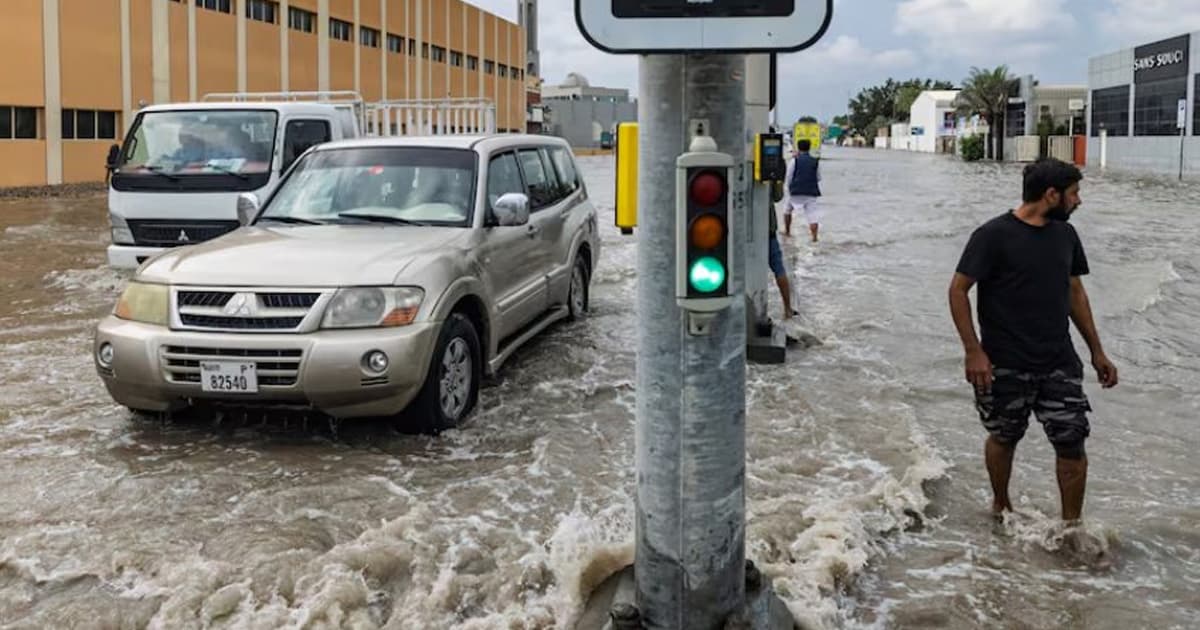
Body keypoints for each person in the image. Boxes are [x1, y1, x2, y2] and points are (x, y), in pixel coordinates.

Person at [948, 158, 1119, 525]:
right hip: (1003, 363)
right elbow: (958, 290)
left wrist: (1097, 352)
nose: (1079, 201)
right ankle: (1000, 507)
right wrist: (973, 351)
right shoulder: (992, 235)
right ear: (1051, 194)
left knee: (1072, 440)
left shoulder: (1066, 236)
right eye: (1074, 194)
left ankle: (1071, 527)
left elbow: (1076, 293)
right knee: (1004, 436)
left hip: (1058, 360)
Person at [782, 139, 822, 242]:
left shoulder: (794, 161)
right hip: (811, 192)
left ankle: (787, 231)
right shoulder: (815, 161)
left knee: (787, 210)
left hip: (795, 191)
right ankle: (814, 237)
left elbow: (789, 177)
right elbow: (818, 177)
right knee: (813, 216)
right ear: (809, 147)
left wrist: (788, 189)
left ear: (798, 148)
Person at [767, 189, 796, 319]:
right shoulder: (767, 169)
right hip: (768, 227)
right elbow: (777, 196)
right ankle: (787, 308)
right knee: (778, 268)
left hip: (741, 229)